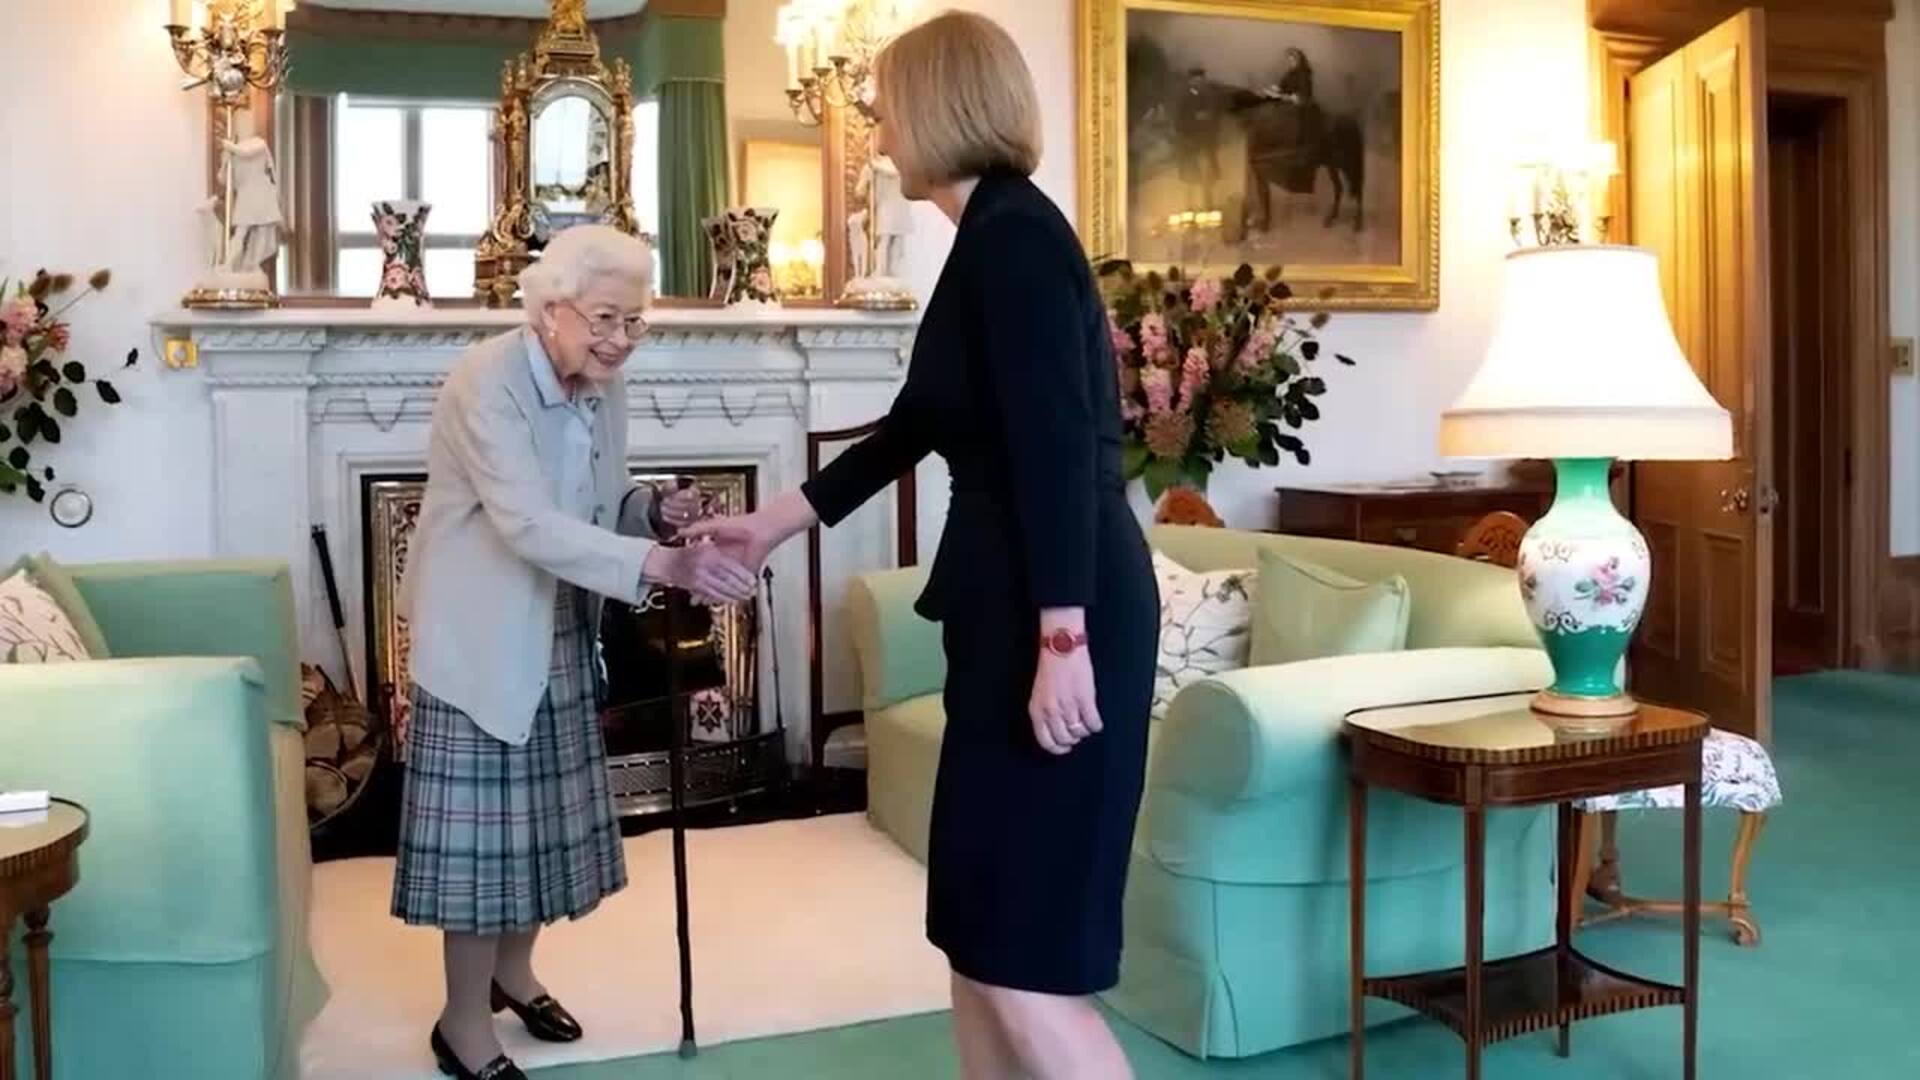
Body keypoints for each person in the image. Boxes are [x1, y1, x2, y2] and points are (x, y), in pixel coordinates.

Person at [684, 13, 1158, 1078]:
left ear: (942, 106)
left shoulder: (1017, 239)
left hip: (1056, 614)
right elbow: (913, 427)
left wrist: (1064, 639)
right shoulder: (987, 235)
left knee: (1026, 961)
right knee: (980, 938)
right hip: (1011, 614)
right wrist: (771, 522)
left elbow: (1056, 449)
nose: (877, 124)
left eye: (887, 104)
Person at [392, 224, 759, 1080]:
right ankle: (461, 1025)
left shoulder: (601, 384)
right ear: (549, 309)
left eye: (635, 322)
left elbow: (597, 498)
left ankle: (513, 976)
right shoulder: (485, 381)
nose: (621, 340)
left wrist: (651, 513)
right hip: (479, 634)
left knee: (540, 826)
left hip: (559, 619)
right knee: (485, 847)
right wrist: (662, 564)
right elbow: (525, 522)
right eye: (605, 319)